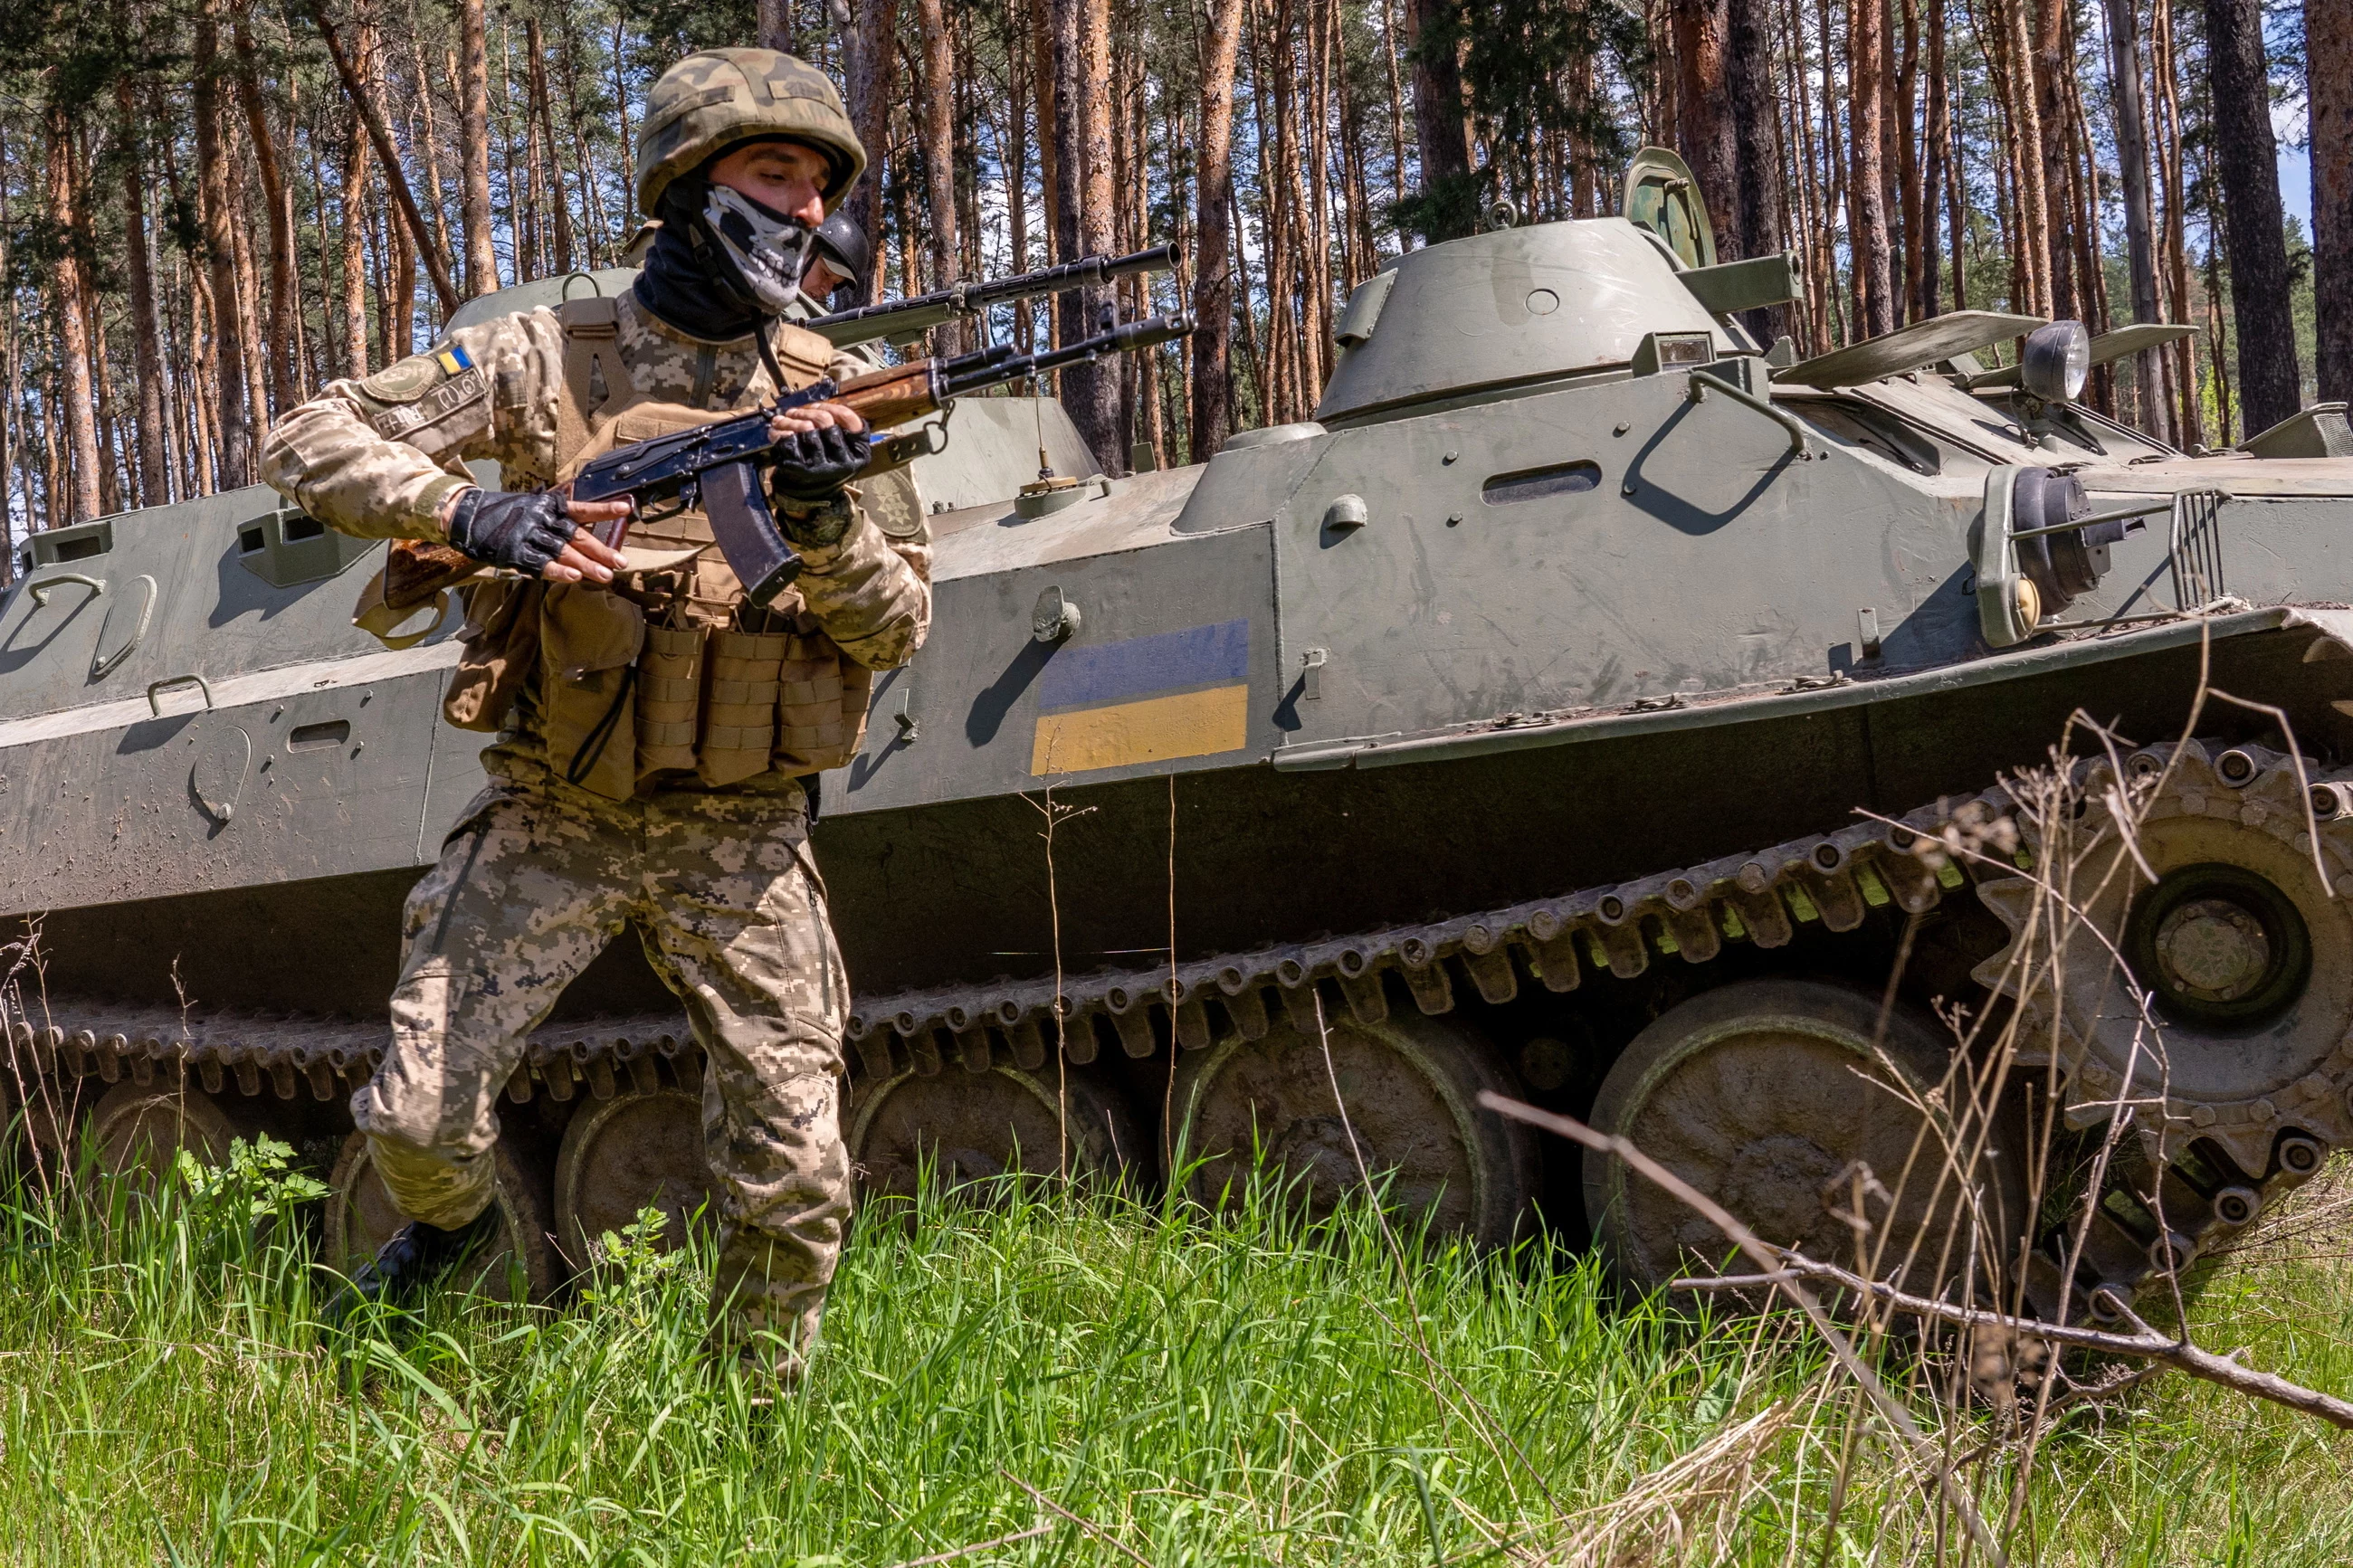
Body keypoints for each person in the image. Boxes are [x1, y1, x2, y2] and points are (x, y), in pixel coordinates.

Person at [258, 47, 930, 1389]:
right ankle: (450, 1237)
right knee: (415, 1122)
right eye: (771, 172)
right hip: (557, 816)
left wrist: (821, 523)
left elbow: (898, 627)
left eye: (820, 184)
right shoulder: (542, 360)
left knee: (797, 1179)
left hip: (743, 835)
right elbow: (307, 435)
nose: (806, 208)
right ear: (687, 186)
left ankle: (754, 1433)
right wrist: (475, 513)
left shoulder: (829, 395)